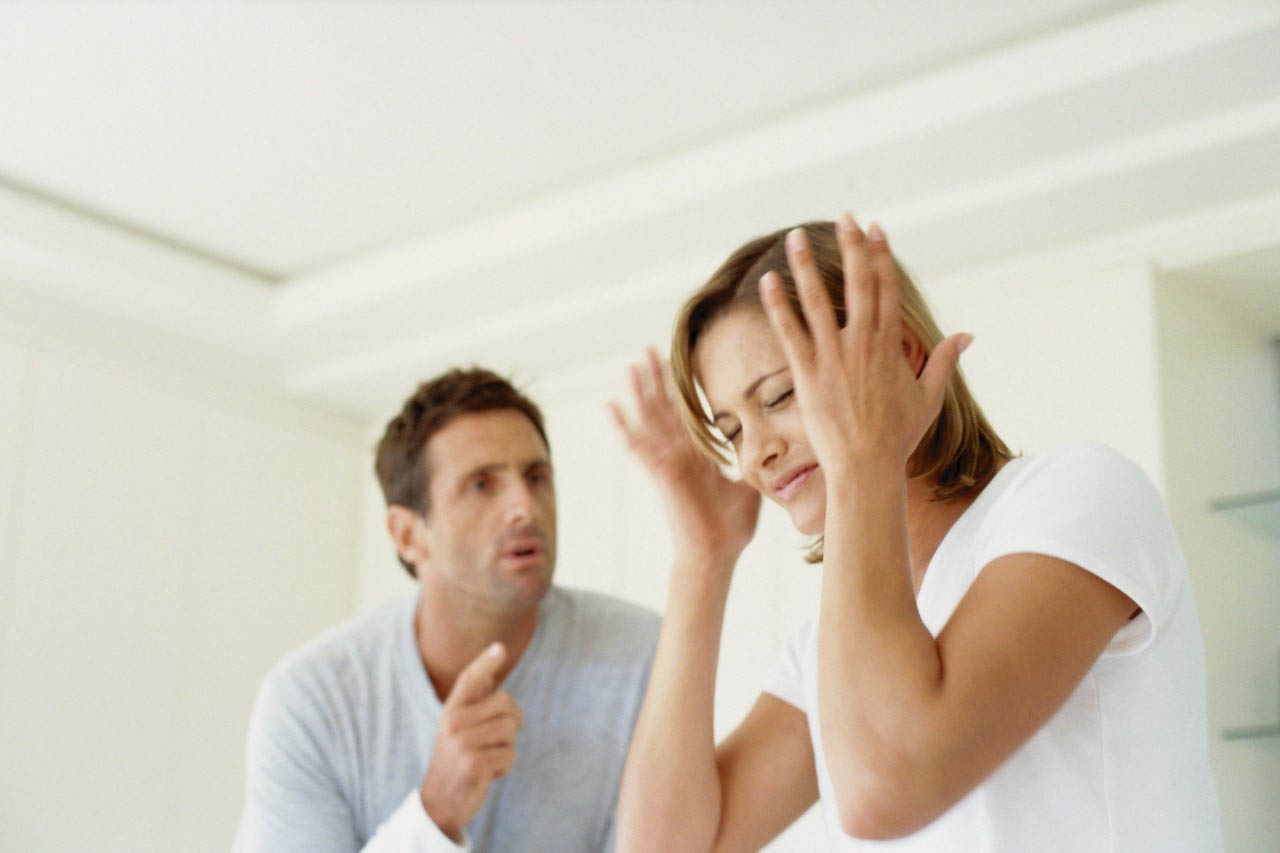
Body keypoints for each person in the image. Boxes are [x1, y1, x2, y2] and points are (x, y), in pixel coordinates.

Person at [610, 216, 1221, 851]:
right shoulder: (829, 642)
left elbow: (883, 790)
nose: (754, 454)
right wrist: (703, 559)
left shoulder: (1073, 495)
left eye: (781, 395)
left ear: (899, 354)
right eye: (732, 430)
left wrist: (864, 456)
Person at [235, 367, 660, 852]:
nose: (525, 507)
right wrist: (436, 812)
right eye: (481, 485)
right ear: (408, 535)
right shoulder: (311, 700)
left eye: (536, 477)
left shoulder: (643, 656)